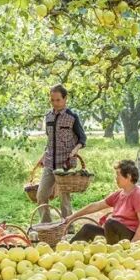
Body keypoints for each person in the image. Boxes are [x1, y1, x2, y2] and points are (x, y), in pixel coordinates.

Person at [35, 84, 87, 223]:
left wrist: (75, 150)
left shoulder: (72, 117)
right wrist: (43, 157)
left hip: (66, 164)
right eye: (52, 100)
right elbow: (50, 140)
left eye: (58, 100)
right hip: (49, 162)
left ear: (65, 99)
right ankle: (46, 225)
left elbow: (82, 139)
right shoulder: (48, 117)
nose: (55, 103)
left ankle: (68, 227)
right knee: (41, 195)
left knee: (64, 198)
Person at [66, 159, 140, 244]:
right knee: (88, 228)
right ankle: (68, 248)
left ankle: (113, 250)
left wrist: (133, 244)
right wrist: (72, 217)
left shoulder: (138, 195)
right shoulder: (118, 194)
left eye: (118, 174)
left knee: (110, 223)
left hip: (133, 237)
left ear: (128, 177)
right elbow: (96, 206)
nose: (116, 178)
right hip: (114, 232)